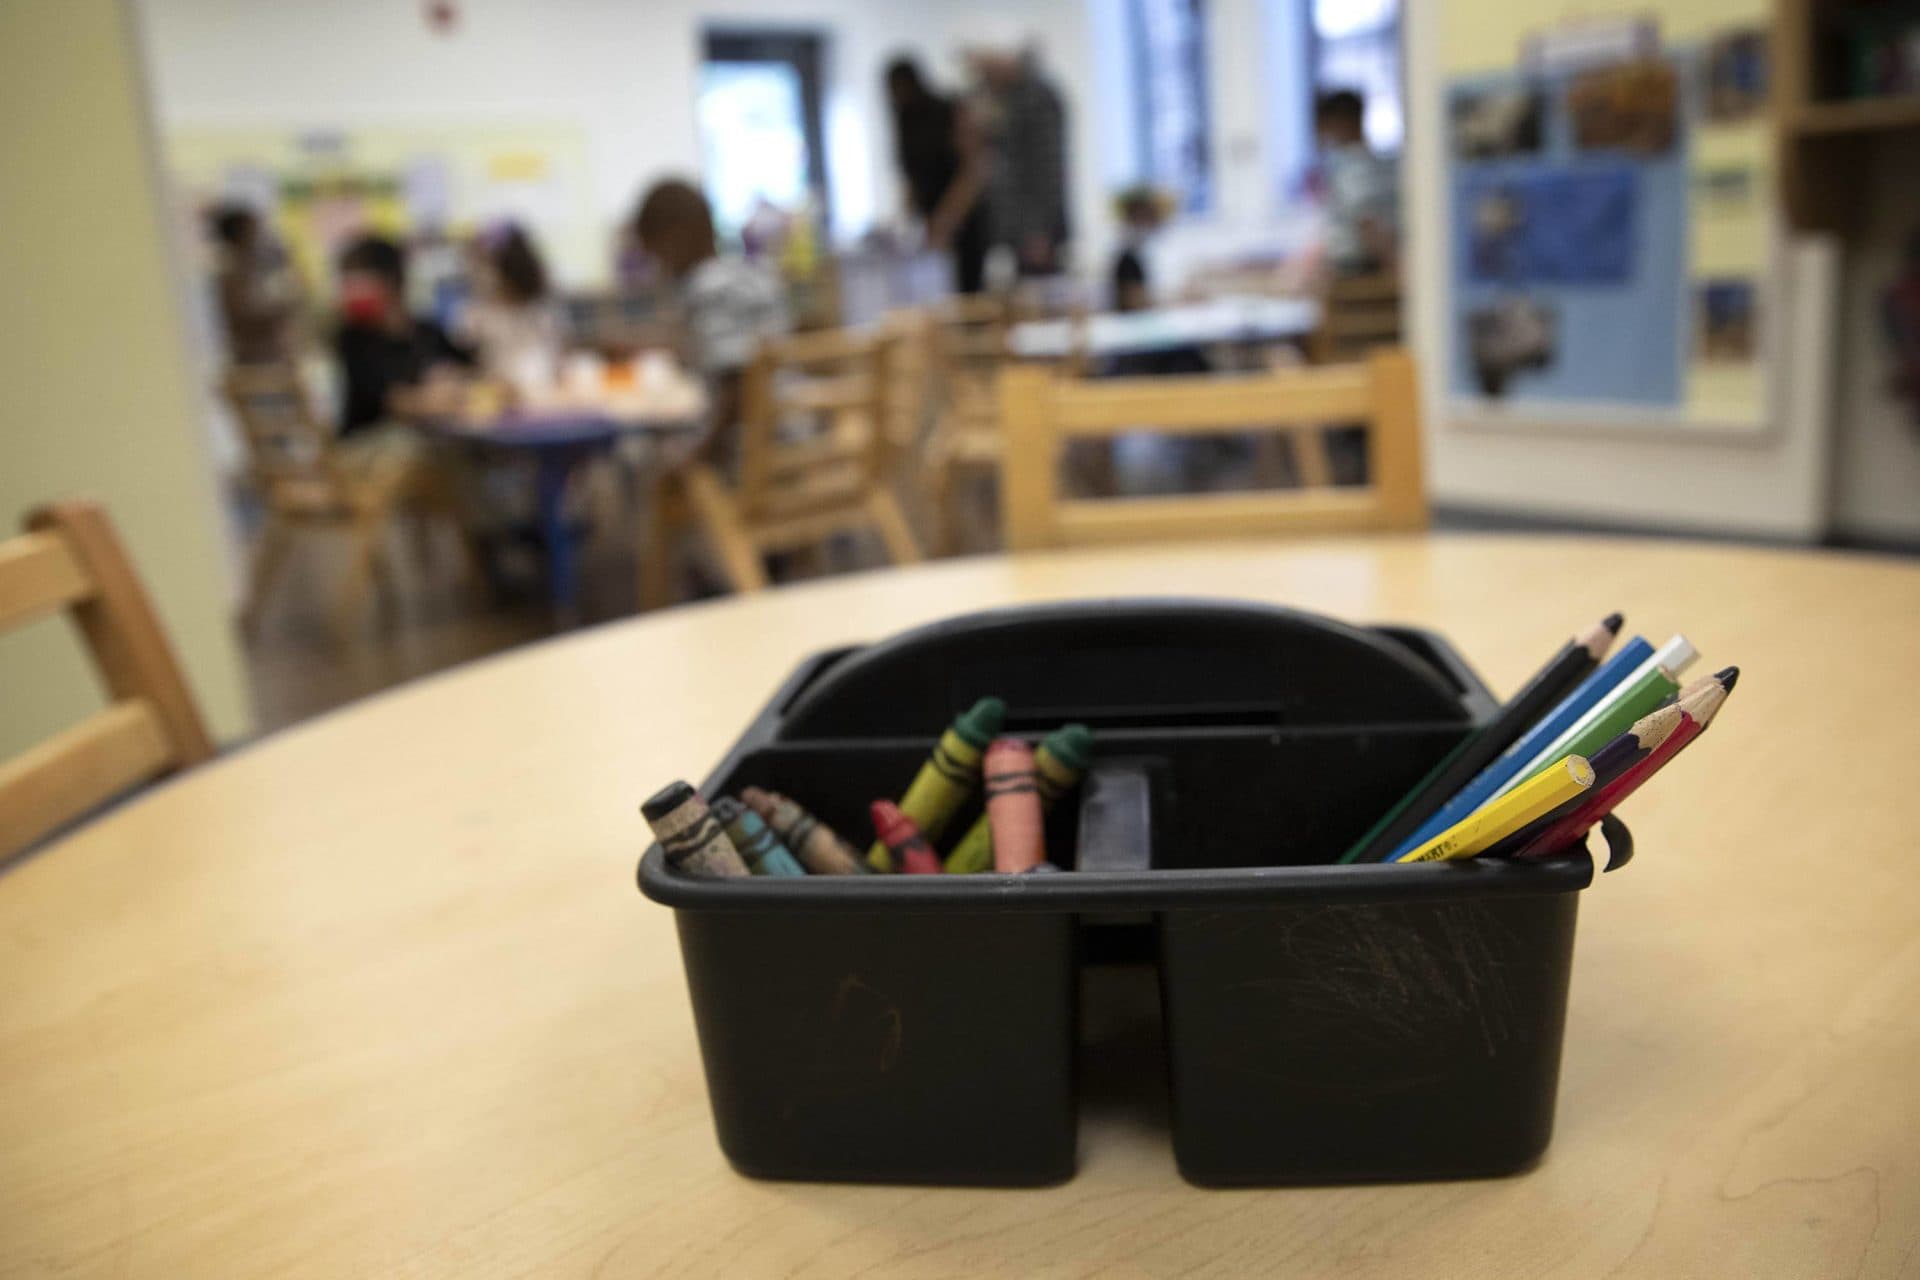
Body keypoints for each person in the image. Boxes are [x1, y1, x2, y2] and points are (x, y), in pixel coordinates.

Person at [630, 178, 789, 473]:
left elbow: (739, 388)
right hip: (792, 429)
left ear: (674, 239)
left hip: (754, 451)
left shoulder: (707, 290)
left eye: (655, 254)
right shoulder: (751, 273)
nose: (659, 268)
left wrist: (699, 455)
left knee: (638, 457)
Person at [331, 234, 470, 436]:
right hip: (372, 444)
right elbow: (391, 402)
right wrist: (433, 399)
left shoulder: (428, 331)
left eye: (356, 279)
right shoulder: (353, 339)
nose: (349, 290)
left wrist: (456, 379)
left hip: (437, 436)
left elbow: (469, 369)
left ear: (390, 279)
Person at [885, 56, 989, 294]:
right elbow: (910, 177)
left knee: (967, 291)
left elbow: (973, 171)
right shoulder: (904, 120)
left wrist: (947, 221)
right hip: (930, 222)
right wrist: (905, 224)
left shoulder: (948, 110)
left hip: (963, 223)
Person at [971, 45, 1070, 278]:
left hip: (1035, 230)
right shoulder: (1008, 97)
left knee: (1040, 298)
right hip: (1018, 227)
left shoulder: (1036, 100)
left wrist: (1039, 230)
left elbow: (1047, 170)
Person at [458, 222, 565, 392]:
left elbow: (555, 362)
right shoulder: (476, 315)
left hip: (542, 399)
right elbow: (464, 365)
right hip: (495, 402)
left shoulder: (541, 312)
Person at [1314, 89, 1398, 276]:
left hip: (1359, 268)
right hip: (1368, 261)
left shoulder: (1353, 166)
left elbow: (1368, 223)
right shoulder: (1373, 162)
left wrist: (1395, 265)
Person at [207, 203, 299, 365]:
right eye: (255, 230)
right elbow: (248, 314)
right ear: (240, 235)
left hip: (273, 356)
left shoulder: (254, 269)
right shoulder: (232, 274)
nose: (261, 237)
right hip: (256, 360)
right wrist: (284, 305)